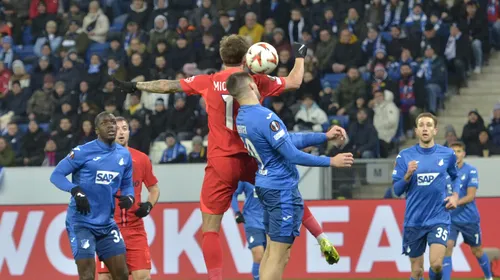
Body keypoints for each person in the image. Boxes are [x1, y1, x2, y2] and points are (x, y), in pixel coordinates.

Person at [113, 35, 339, 278]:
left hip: (221, 163)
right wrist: (300, 54)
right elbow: (295, 81)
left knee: (210, 229)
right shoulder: (255, 81)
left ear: (222, 58)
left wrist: (137, 86)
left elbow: (169, 85)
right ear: (246, 58)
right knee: (288, 192)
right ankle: (320, 235)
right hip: (253, 158)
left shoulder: (208, 81)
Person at [227, 71, 354, 279]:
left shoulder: (243, 117)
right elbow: (291, 153)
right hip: (280, 190)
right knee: (277, 255)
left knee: (276, 253)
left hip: (268, 185)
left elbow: (286, 140)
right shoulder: (264, 116)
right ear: (251, 87)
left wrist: (323, 136)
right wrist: (331, 161)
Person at [49, 112, 134, 280]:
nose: (110, 126)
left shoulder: (124, 155)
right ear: (96, 130)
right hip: (81, 222)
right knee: (87, 276)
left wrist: (129, 197)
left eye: (112, 122)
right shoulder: (82, 152)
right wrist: (75, 190)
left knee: (122, 274)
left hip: (106, 223)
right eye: (105, 123)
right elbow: (56, 175)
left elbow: (127, 183)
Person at [392, 112, 460, 280]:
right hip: (414, 220)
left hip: (438, 218)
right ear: (416, 131)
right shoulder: (404, 156)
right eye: (421, 125)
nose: (425, 128)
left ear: (435, 130)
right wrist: (407, 175)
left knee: (436, 265)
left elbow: (456, 176)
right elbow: (397, 190)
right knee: (417, 271)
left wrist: (455, 196)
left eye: (429, 125)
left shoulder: (447, 154)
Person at [97, 116, 160, 280]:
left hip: (135, 229)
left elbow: (154, 189)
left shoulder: (141, 159)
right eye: (117, 129)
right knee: (105, 278)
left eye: (124, 128)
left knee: (143, 277)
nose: (121, 133)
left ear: (129, 132)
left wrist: (148, 205)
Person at [443, 142, 493, 280]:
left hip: (469, 218)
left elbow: (471, 196)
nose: (456, 154)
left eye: (459, 151)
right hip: (451, 219)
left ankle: (488, 277)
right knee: (447, 247)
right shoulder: (444, 172)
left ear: (463, 154)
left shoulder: (471, 170)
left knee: (477, 251)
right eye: (453, 151)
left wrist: (454, 202)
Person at [231, 181, 266, 280]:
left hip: (270, 223)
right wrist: (237, 212)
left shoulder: (271, 173)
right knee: (258, 253)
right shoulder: (246, 175)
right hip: (252, 221)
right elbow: (233, 194)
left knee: (269, 259)